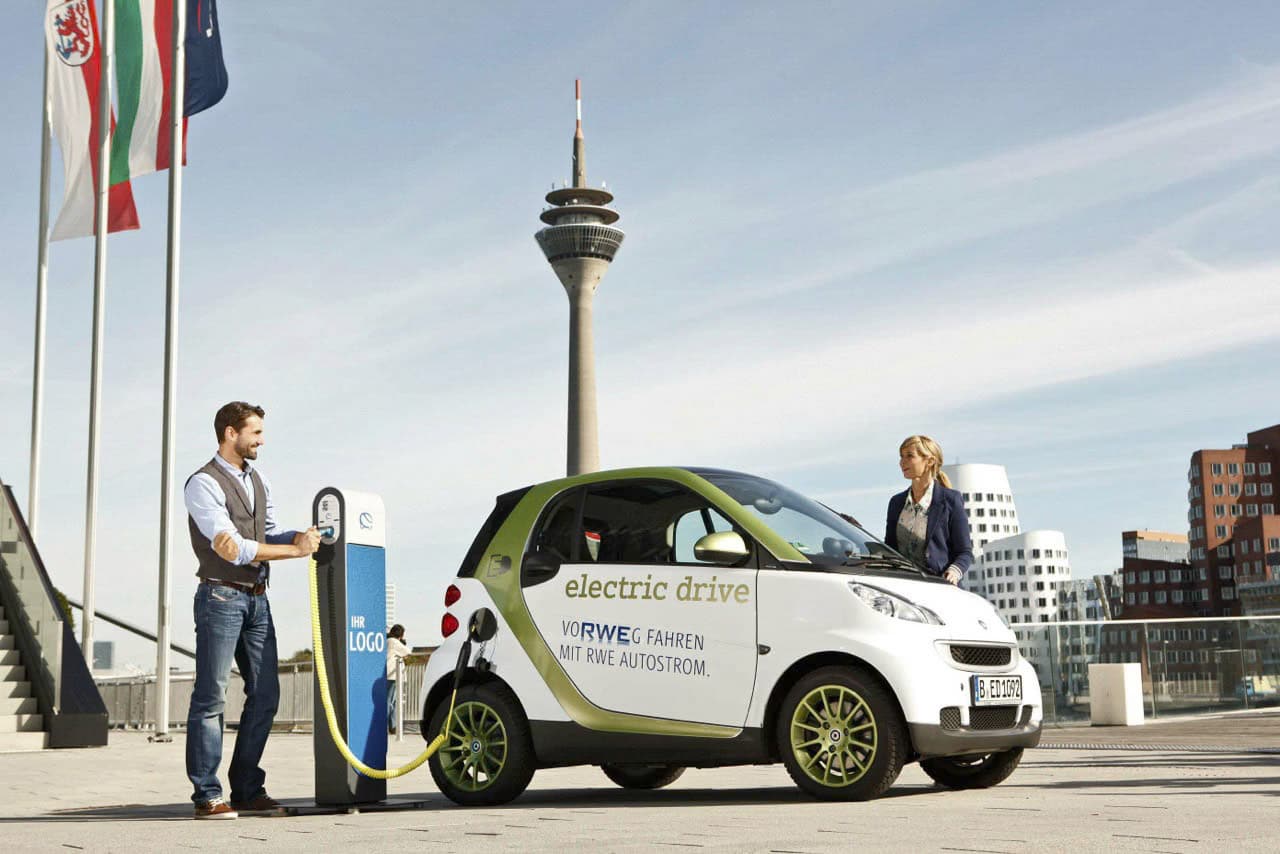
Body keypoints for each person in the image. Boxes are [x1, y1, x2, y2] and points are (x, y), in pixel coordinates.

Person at [184, 401, 320, 820]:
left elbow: (267, 534)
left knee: (265, 695)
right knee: (212, 695)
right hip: (220, 598)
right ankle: (207, 795)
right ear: (231, 433)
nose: (262, 440)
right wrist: (295, 552)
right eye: (255, 432)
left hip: (258, 600)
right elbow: (232, 547)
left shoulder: (259, 481)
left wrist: (302, 537)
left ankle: (245, 789)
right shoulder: (202, 484)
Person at [884, 435, 972, 585]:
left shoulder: (951, 500)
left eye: (909, 456)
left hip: (939, 586)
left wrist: (954, 572)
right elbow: (890, 549)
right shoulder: (896, 503)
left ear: (929, 461)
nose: (902, 462)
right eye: (901, 456)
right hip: (903, 586)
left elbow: (965, 552)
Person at [386, 624, 410, 734]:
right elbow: (407, 651)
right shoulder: (394, 642)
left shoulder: (387, 641)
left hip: (389, 674)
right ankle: (390, 725)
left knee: (392, 700)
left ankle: (392, 725)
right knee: (391, 701)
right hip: (393, 675)